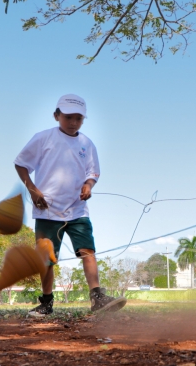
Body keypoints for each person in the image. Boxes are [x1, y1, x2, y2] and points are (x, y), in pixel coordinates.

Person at [14, 94, 127, 317]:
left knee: (88, 251)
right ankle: (46, 303)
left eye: (79, 118)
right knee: (46, 260)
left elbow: (92, 172)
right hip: (48, 211)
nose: (73, 122)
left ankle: (97, 297)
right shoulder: (43, 138)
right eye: (68, 117)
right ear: (57, 116)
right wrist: (33, 190)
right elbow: (21, 164)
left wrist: (88, 185)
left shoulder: (87, 143)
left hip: (77, 211)